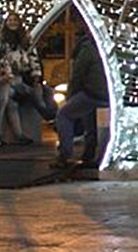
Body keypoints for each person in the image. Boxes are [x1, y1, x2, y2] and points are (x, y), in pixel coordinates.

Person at [52, 17, 108, 169]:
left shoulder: (88, 48)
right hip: (109, 97)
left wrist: (71, 95)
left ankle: (65, 154)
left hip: (93, 94)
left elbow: (78, 74)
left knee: (65, 114)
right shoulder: (111, 46)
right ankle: (88, 155)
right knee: (89, 120)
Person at [0, 11, 55, 147]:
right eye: (10, 20)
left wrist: (36, 74)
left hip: (24, 78)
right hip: (8, 81)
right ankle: (20, 134)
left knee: (43, 91)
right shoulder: (1, 42)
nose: (12, 23)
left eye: (15, 20)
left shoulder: (25, 40)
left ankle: (51, 115)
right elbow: (2, 61)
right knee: (11, 100)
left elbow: (33, 58)